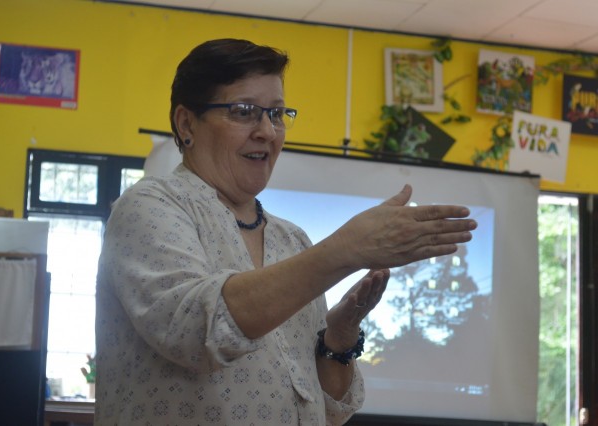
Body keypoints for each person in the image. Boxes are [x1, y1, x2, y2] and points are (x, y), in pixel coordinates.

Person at [95, 38, 477, 425]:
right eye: (244, 112)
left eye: (276, 114)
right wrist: (344, 250)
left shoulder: (291, 240)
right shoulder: (149, 206)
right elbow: (197, 331)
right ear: (186, 123)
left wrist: (339, 338)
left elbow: (328, 411)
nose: (267, 131)